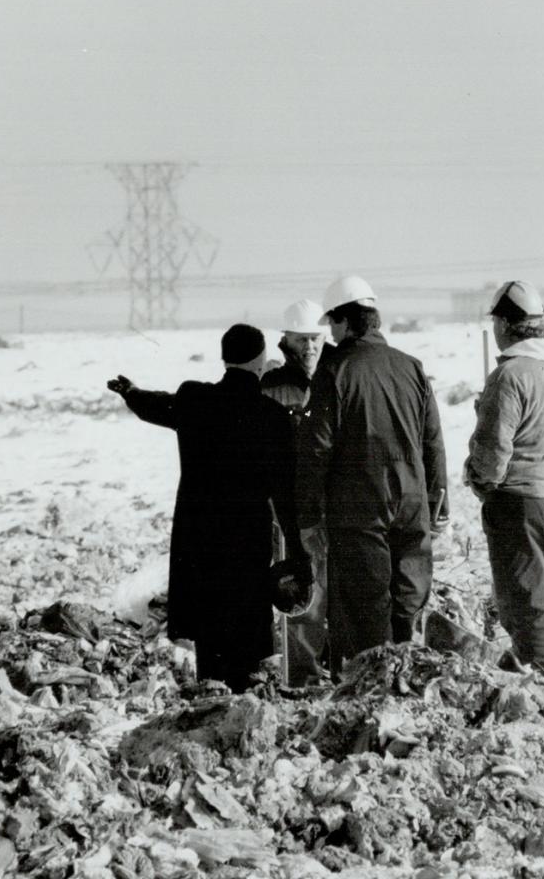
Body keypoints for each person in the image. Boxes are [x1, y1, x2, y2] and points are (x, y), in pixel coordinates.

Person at [108, 324, 308, 692]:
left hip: (200, 540)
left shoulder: (194, 399)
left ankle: (211, 696)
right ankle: (243, 701)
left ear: (224, 358)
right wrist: (298, 554)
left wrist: (131, 393)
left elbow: (157, 406)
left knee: (210, 637)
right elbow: (285, 498)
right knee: (247, 632)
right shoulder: (273, 418)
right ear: (261, 361)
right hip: (248, 540)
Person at [298, 275, 448, 672]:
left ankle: (373, 685)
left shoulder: (335, 373)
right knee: (408, 600)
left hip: (359, 508)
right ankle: (406, 679)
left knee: (365, 606)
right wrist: (439, 503)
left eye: (332, 322)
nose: (329, 331)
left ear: (346, 323)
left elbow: (317, 448)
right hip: (413, 503)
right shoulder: (411, 368)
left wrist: (309, 515)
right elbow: (432, 440)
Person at [467, 281, 544, 673]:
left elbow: (493, 455)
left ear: (504, 324)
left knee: (529, 607)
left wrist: (480, 480)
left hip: (520, 506)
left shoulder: (509, 376)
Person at [261, 298, 333, 685]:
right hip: (288, 510)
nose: (309, 347)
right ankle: (303, 676)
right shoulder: (272, 387)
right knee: (303, 596)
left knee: (337, 591)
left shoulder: (337, 376)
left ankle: (335, 668)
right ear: (286, 339)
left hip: (332, 503)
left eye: (315, 339)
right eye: (302, 339)